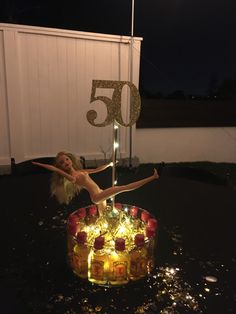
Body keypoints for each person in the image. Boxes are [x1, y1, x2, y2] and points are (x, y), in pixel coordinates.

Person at [32, 151, 159, 213]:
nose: (66, 162)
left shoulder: (81, 171)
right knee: (122, 187)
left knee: (103, 216)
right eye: (62, 162)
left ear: (70, 159)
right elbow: (53, 168)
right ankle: (152, 178)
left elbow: (97, 169)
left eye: (66, 159)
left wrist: (109, 164)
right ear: (61, 167)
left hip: (100, 193)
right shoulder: (72, 177)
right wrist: (39, 163)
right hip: (96, 196)